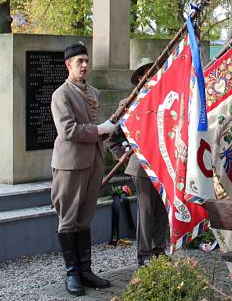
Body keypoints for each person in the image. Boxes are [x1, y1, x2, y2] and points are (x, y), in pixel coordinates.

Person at [50, 42, 118, 296]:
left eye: (86, 61)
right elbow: (67, 130)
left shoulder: (94, 93)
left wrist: (110, 127)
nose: (84, 65)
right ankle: (72, 274)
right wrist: (100, 130)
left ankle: (86, 270)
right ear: (68, 65)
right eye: (79, 61)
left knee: (85, 216)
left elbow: (95, 126)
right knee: (68, 218)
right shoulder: (61, 95)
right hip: (70, 164)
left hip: (93, 162)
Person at [107, 57, 169, 266]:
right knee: (146, 211)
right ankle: (144, 255)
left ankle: (160, 251)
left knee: (161, 209)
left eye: (152, 73)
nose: (149, 77)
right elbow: (112, 137)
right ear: (140, 78)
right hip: (141, 167)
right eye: (145, 73)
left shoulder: (165, 99)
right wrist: (125, 159)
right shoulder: (128, 104)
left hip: (163, 164)